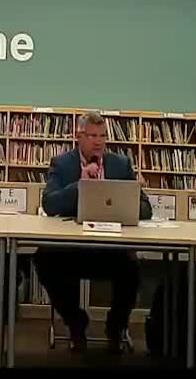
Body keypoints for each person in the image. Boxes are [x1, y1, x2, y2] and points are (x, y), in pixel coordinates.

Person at [35, 111, 152, 354]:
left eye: (102, 136)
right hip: (73, 249)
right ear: (78, 136)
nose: (98, 142)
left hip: (111, 248)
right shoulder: (62, 164)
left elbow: (146, 208)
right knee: (43, 259)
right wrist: (80, 185)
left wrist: (124, 205)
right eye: (91, 136)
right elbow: (50, 204)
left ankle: (115, 328)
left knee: (133, 269)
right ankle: (76, 322)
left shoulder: (120, 164)